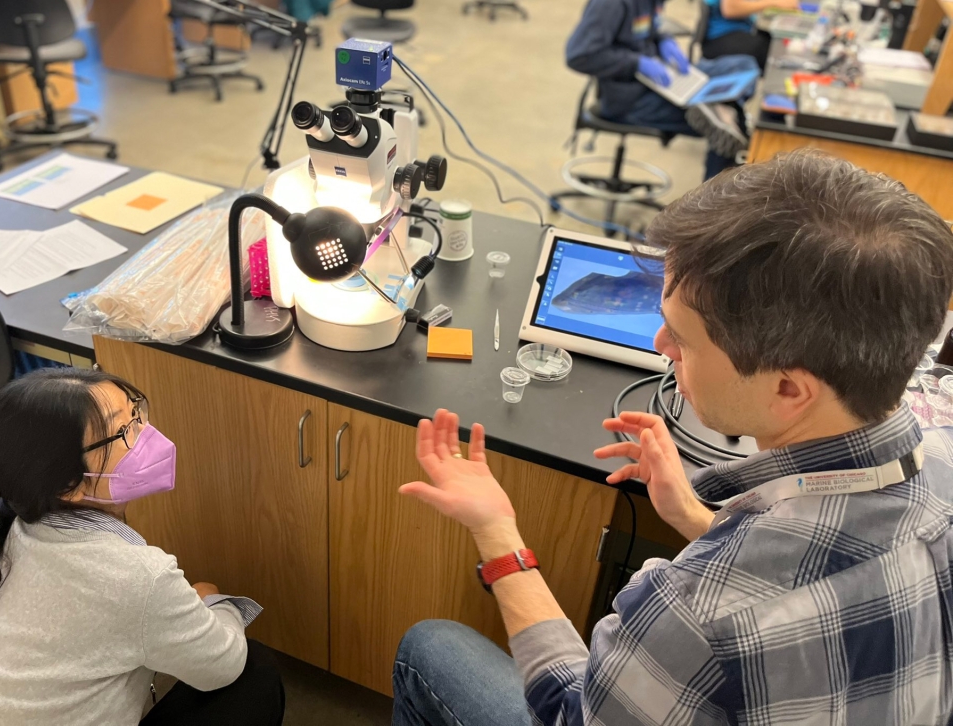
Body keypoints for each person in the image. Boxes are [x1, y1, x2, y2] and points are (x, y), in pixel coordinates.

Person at [391, 151, 953, 725]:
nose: (661, 344)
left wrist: (497, 533)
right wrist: (693, 515)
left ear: (789, 388)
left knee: (428, 649)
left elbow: (572, 714)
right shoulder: (943, 455)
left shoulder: (697, 611)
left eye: (684, 338)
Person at [0, 368, 284, 726]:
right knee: (254, 673)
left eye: (136, 414)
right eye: (123, 432)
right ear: (68, 484)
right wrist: (212, 601)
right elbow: (223, 665)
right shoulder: (138, 576)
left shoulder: (13, 532)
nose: (145, 435)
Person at [566, 0, 760, 179]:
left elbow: (648, 29)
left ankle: (712, 104)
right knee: (731, 125)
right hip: (630, 99)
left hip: (662, 80)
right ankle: (712, 210)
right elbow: (580, 55)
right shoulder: (611, 4)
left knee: (744, 65)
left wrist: (664, 41)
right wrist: (637, 63)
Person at [701, 0, 798, 68]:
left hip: (735, 32)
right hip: (719, 38)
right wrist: (774, 3)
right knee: (774, 54)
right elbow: (730, 10)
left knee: (774, 42)